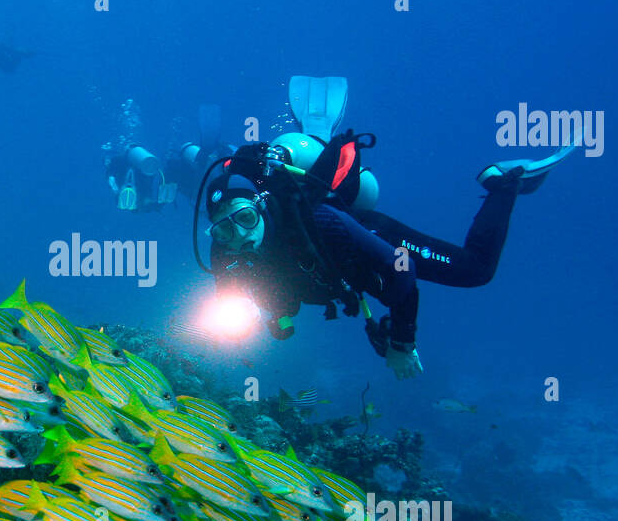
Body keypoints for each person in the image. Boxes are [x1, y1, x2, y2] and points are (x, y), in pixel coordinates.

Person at [198, 76, 578, 380]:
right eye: (223, 230)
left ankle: (504, 181)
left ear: (261, 207)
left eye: (245, 219)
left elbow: (403, 270)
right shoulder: (225, 252)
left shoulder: (322, 222)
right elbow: (252, 298)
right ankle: (316, 133)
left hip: (366, 239)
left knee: (476, 270)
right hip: (336, 272)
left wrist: (401, 341)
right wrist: (271, 318)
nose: (239, 236)